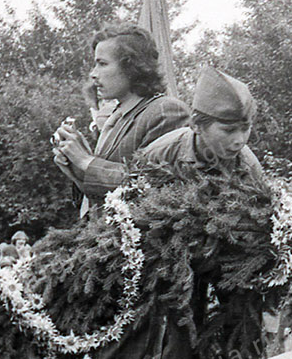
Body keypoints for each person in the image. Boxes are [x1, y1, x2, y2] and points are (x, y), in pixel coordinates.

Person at [89, 66, 266, 359]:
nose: (239, 140)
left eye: (245, 129)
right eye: (229, 130)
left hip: (230, 263)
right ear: (198, 125)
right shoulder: (161, 154)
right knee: (179, 351)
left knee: (247, 338)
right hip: (175, 266)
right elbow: (130, 210)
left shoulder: (247, 165)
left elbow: (264, 218)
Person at [52, 23, 191, 217]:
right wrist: (74, 165)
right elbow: (102, 195)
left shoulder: (166, 111)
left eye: (102, 63)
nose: (93, 73)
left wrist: (86, 160)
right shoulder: (118, 116)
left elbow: (154, 186)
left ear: (131, 67)